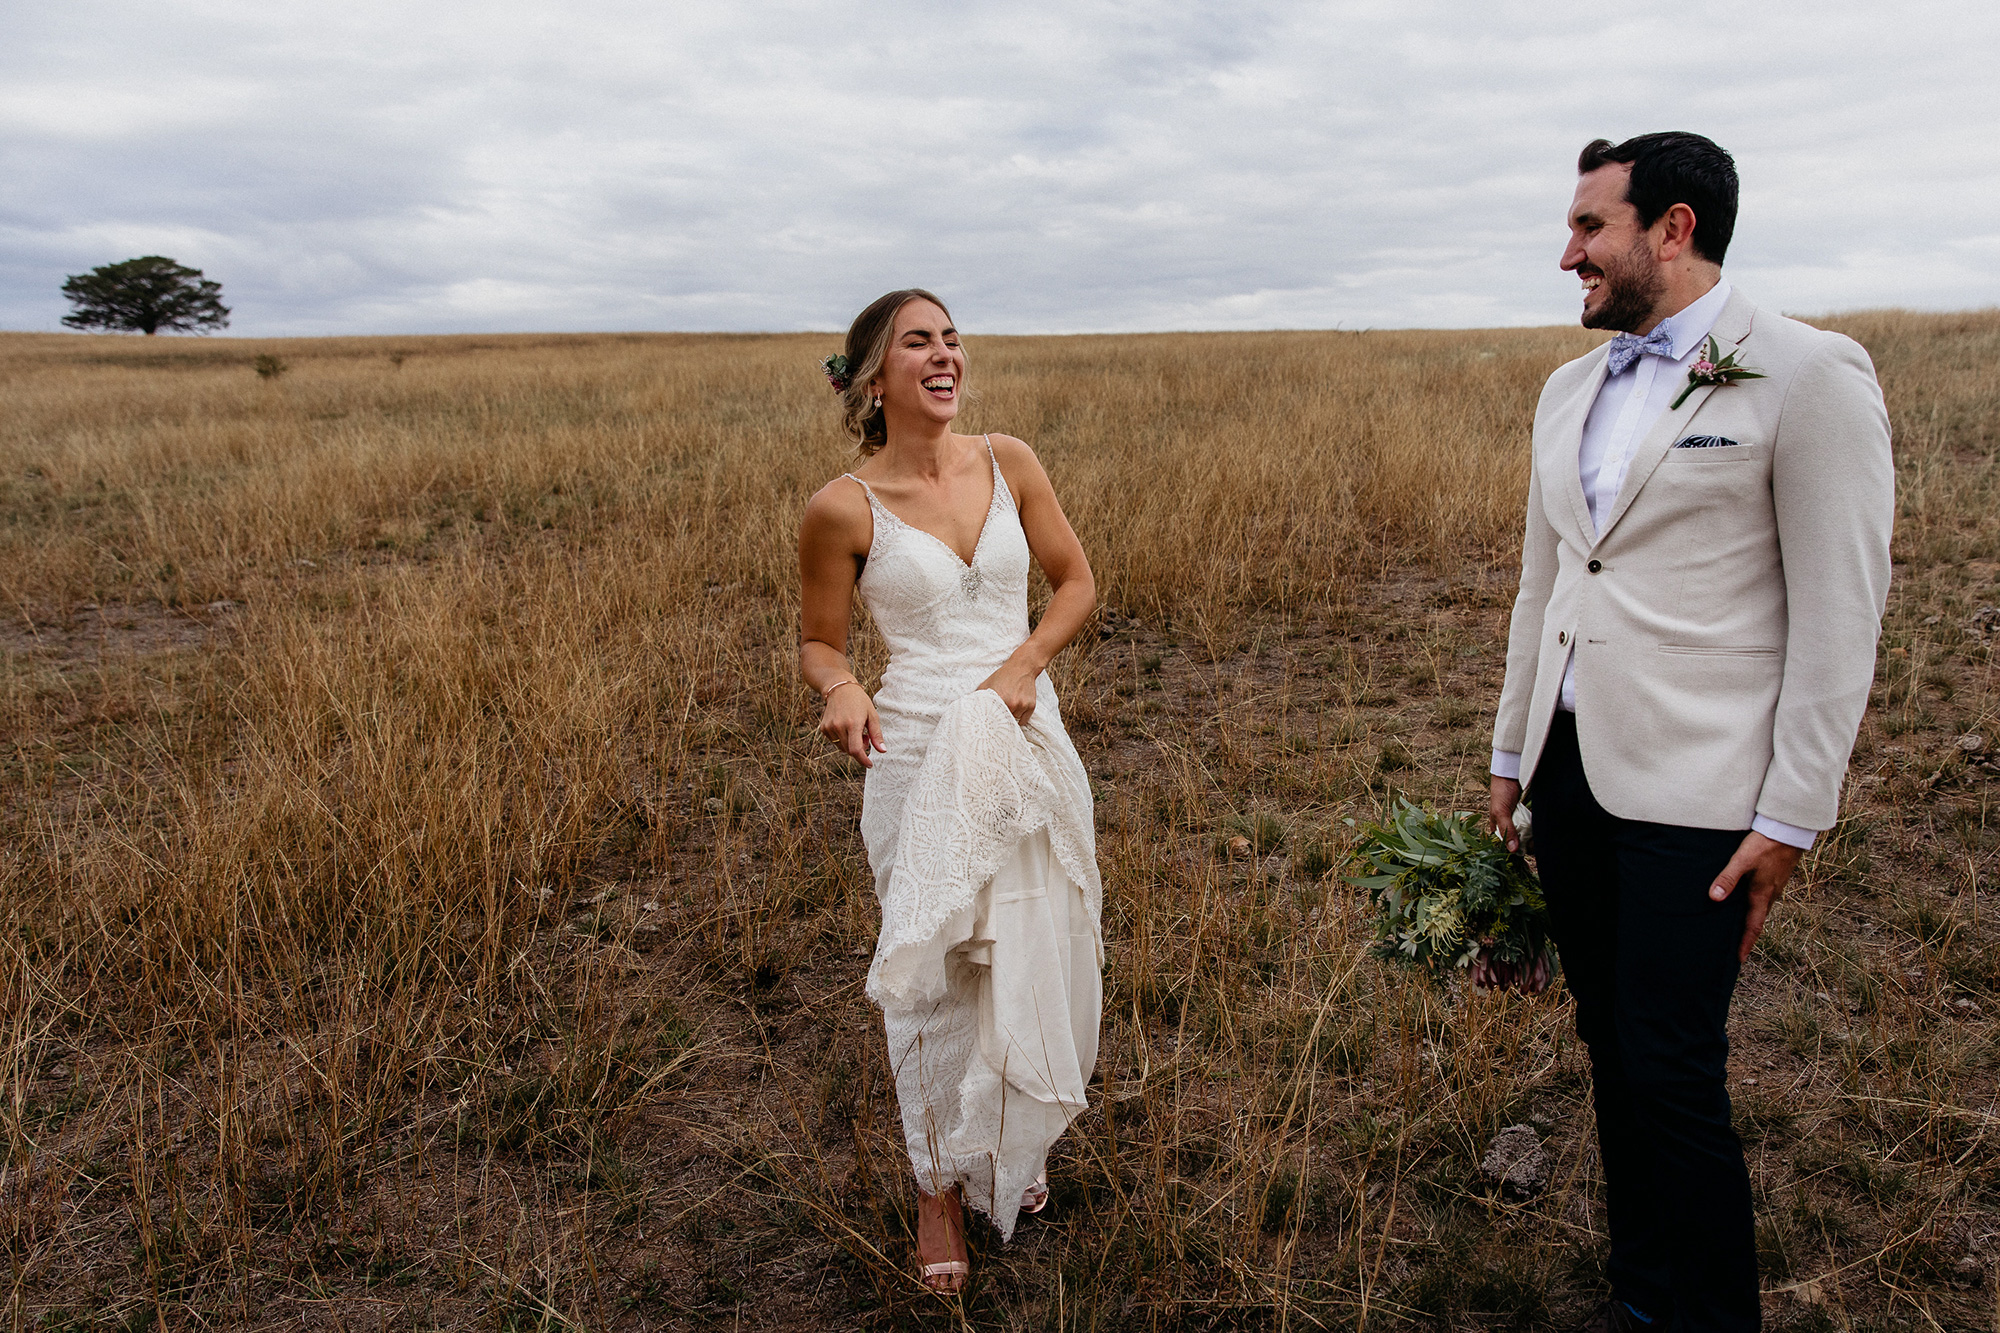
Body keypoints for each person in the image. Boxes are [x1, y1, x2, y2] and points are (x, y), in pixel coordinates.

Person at [1488, 134, 1893, 1333]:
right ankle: (1641, 1293)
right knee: (1610, 1049)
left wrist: (1790, 816)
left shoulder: (1806, 372)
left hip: (1700, 790)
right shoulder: (1566, 388)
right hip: (1570, 773)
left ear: (1669, 228)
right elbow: (1542, 582)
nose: (1566, 254)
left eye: (1585, 229)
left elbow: (1840, 607)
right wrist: (1511, 758)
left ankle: (1710, 1313)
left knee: (1672, 1069)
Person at [798, 289, 1103, 1294]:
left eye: (950, 338)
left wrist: (1024, 665)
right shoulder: (842, 506)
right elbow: (818, 642)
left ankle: (1010, 1148)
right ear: (873, 379)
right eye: (915, 342)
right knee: (929, 974)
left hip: (1022, 736)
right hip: (919, 747)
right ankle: (936, 1186)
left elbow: (1074, 583)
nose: (943, 355)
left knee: (1027, 939)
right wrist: (840, 686)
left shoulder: (1008, 460)